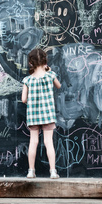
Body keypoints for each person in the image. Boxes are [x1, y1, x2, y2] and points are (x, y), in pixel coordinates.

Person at [21, 48, 61, 179]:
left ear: (30, 63)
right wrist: (49, 70)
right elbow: (59, 86)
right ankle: (53, 171)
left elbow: (23, 99)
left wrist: (32, 103)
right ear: (45, 61)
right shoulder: (50, 76)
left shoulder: (27, 80)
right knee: (49, 142)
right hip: (48, 115)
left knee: (33, 142)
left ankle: (31, 171)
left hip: (33, 116)